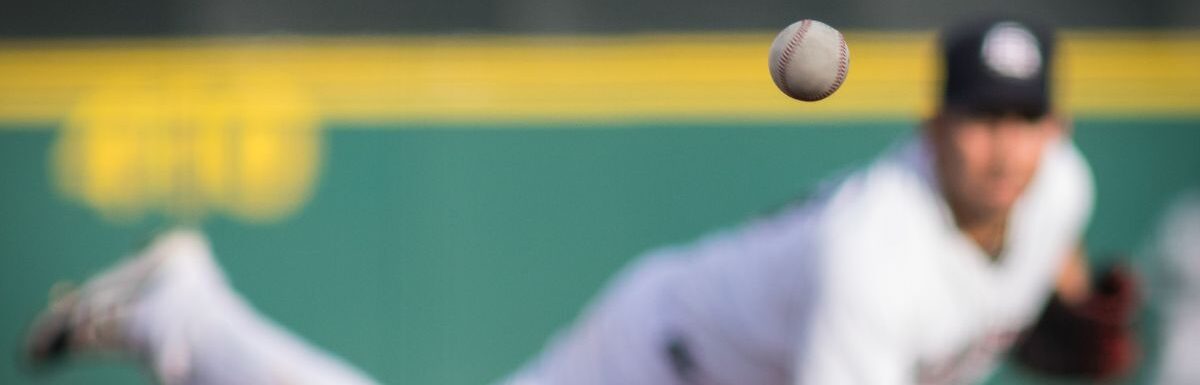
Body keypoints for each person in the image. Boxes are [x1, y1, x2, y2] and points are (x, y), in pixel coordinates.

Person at [23, 16, 1138, 385]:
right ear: (934, 126)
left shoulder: (1058, 191)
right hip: (658, 355)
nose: (1002, 149)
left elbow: (1056, 260)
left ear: (1058, 130)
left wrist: (1052, 304)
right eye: (979, 119)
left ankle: (183, 308)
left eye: (1022, 121)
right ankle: (184, 311)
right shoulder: (872, 255)